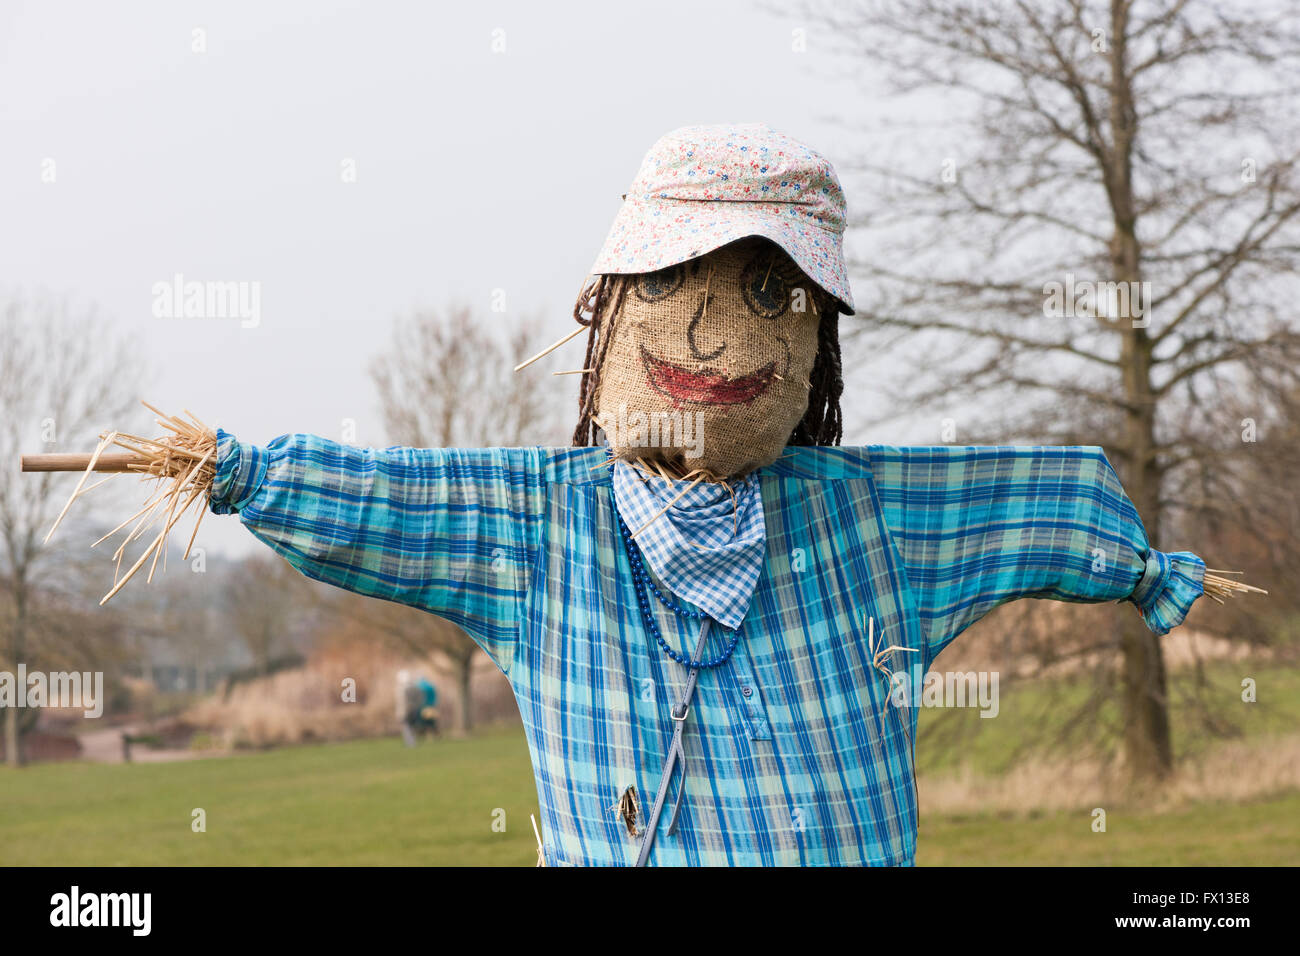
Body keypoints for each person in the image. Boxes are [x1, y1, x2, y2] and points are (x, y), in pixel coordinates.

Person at [204, 124, 1241, 866]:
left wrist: (1139, 565)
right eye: (664, 282)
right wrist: (246, 472)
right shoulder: (544, 528)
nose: (711, 336)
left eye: (766, 294)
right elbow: (398, 500)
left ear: (812, 344)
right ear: (605, 311)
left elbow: (1023, 496)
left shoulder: (866, 520)